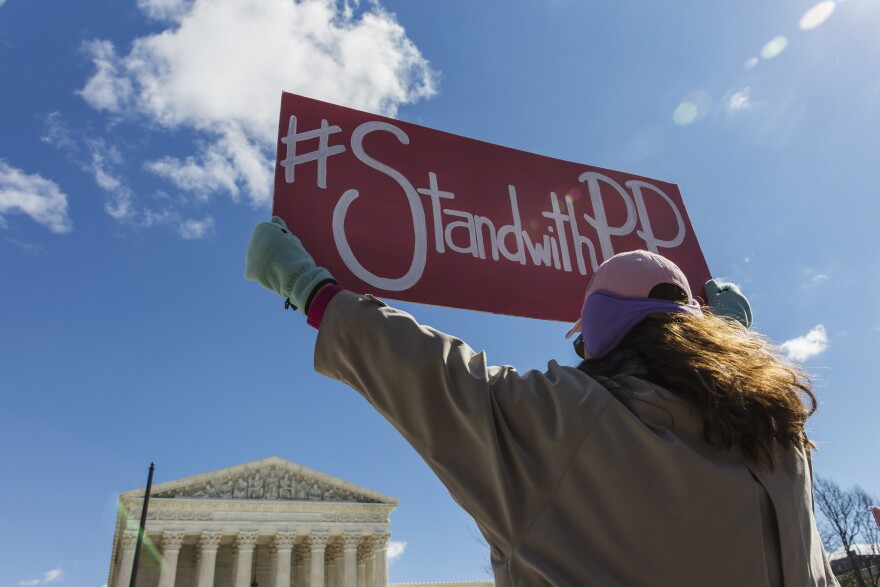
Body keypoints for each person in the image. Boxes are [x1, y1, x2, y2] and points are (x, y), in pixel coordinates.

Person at [245, 216, 838, 587]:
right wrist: (732, 332)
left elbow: (425, 370)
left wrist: (307, 285)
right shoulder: (781, 438)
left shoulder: (562, 424)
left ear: (599, 332)